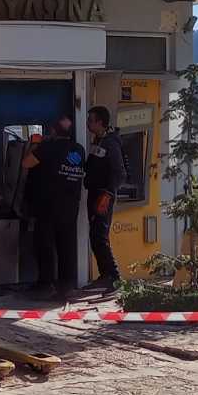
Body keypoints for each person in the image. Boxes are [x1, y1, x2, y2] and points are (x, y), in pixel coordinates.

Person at [23, 116, 85, 300]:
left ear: (53, 131)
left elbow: (26, 163)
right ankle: (66, 286)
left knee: (44, 245)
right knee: (66, 246)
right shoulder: (79, 149)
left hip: (48, 206)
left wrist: (35, 147)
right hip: (70, 206)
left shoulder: (47, 148)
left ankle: (45, 284)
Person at [83, 105, 128, 294]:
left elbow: (120, 173)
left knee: (100, 236)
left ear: (100, 122)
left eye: (90, 120)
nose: (87, 123)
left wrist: (108, 194)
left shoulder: (110, 143)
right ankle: (105, 276)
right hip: (94, 193)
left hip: (103, 195)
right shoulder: (98, 141)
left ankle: (114, 278)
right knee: (95, 236)